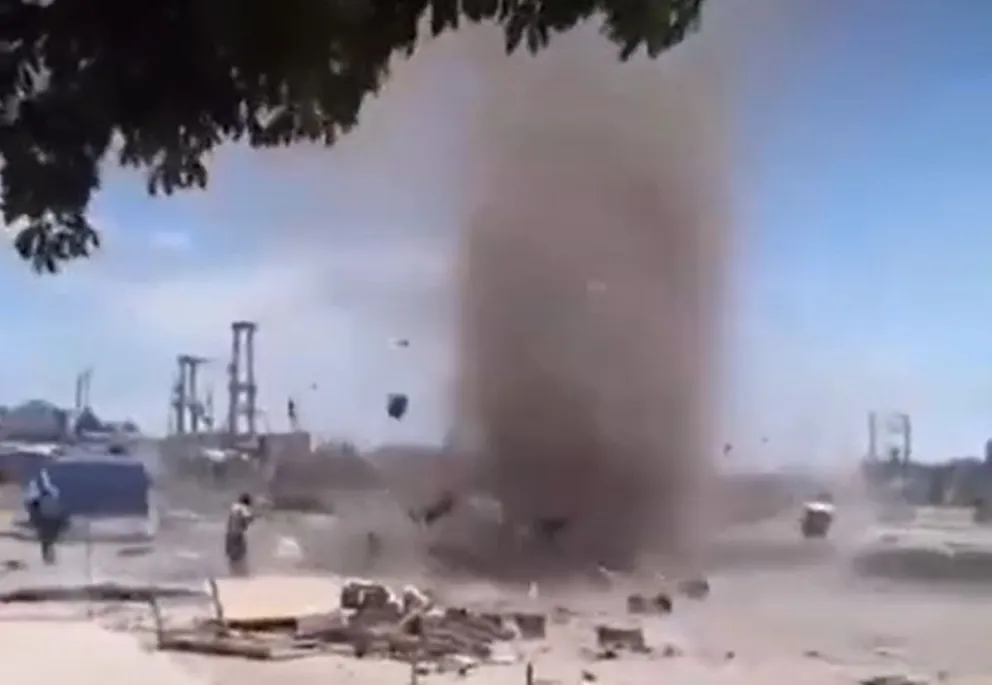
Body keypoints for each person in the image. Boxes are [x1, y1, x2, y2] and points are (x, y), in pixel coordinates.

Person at [23, 468, 66, 565]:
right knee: (47, 532)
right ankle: (48, 552)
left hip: (39, 506)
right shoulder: (40, 475)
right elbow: (46, 487)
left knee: (44, 533)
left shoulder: (37, 474)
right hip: (40, 504)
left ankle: (47, 553)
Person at [225, 493, 255, 576]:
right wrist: (253, 517)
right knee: (241, 553)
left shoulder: (233, 507)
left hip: (229, 534)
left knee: (232, 555)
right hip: (238, 534)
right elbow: (248, 517)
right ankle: (242, 573)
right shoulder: (242, 507)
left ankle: (233, 573)